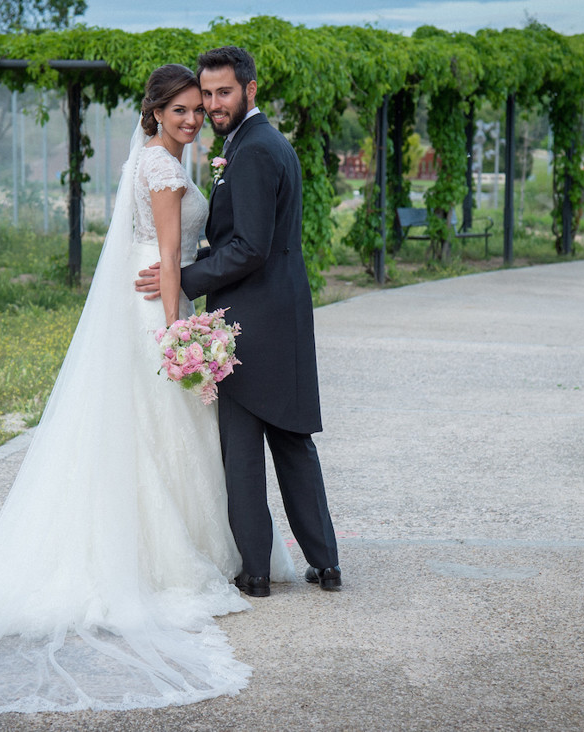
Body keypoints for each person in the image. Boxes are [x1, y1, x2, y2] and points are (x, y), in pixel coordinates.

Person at [0, 64, 292, 714]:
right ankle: (165, 562)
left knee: (155, 435)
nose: (194, 119)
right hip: (157, 305)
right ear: (156, 114)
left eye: (200, 109)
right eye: (182, 111)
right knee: (162, 430)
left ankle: (174, 548)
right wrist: (177, 336)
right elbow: (167, 259)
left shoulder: (160, 159)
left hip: (151, 294)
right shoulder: (164, 170)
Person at [136, 47, 340, 598]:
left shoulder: (250, 151)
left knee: (244, 449)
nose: (211, 104)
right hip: (286, 313)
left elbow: (248, 247)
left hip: (249, 319)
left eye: (223, 92)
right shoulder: (266, 143)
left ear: (250, 89)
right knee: (293, 442)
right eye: (206, 94)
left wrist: (184, 276)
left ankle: (255, 572)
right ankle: (326, 563)